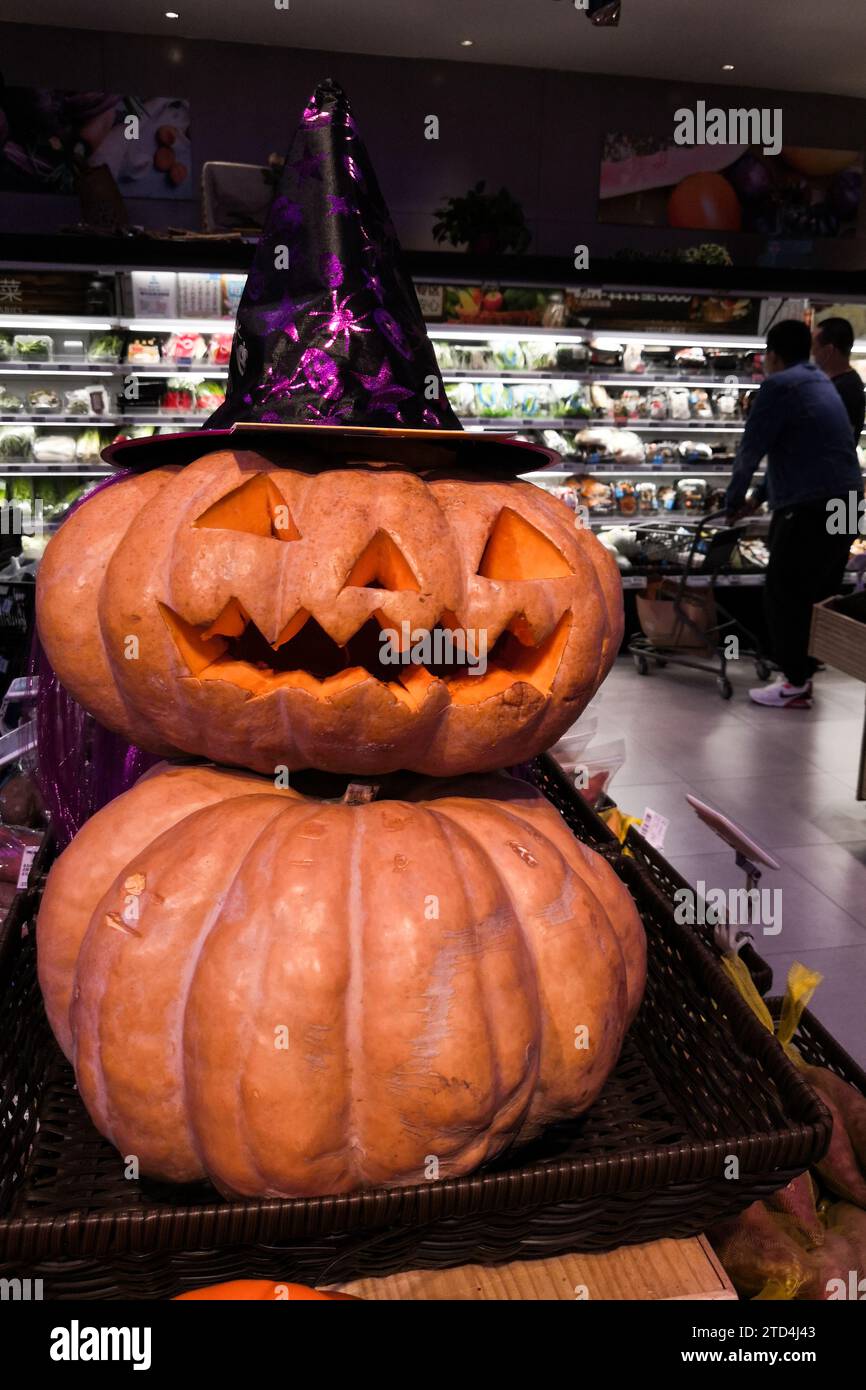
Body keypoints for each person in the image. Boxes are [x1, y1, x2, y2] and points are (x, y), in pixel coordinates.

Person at [725, 318, 862, 709]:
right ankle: (806, 673)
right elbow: (803, 448)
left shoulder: (778, 386)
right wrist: (758, 497)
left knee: (782, 593)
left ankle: (794, 682)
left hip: (812, 505)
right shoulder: (822, 383)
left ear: (772, 355)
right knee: (820, 592)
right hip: (850, 503)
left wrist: (733, 502)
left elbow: (750, 451)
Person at [811, 316, 866, 441]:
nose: (812, 352)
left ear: (829, 350)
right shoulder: (839, 382)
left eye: (814, 346)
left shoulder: (846, 389)